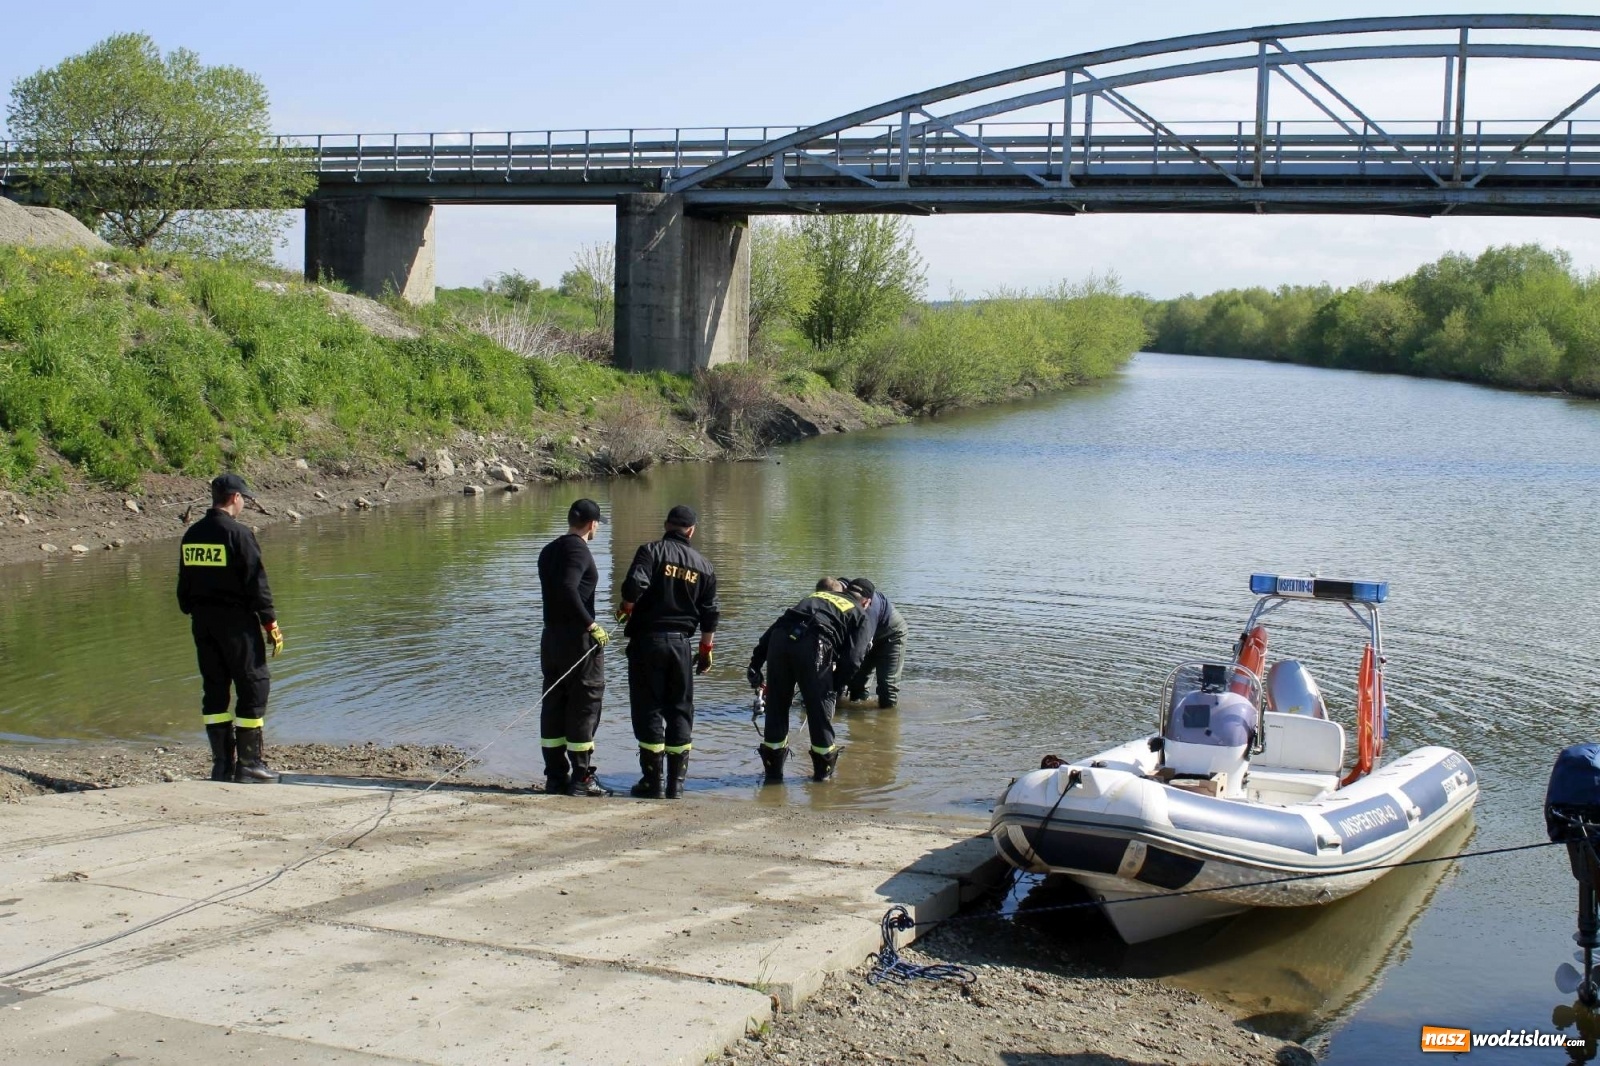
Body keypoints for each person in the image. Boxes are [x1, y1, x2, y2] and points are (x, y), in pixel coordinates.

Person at [177, 473, 282, 784]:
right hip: (237, 625)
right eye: (244, 499)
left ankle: (222, 765)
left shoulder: (192, 535)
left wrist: (198, 611)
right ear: (236, 498)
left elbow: (184, 588)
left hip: (203, 625)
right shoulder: (239, 535)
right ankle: (249, 765)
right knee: (254, 685)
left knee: (215, 690)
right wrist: (270, 622)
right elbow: (256, 583)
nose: (244, 504)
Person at [617, 504, 719, 799]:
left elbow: (634, 585)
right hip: (681, 646)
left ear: (666, 525)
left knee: (649, 707)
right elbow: (710, 613)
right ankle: (676, 785)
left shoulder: (651, 551)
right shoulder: (705, 565)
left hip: (647, 643)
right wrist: (706, 648)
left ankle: (652, 783)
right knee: (680, 710)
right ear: (691, 531)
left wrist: (626, 606)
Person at [747, 578, 873, 783]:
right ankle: (822, 783)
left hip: (779, 642)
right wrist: (835, 684)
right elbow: (854, 659)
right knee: (818, 714)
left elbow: (777, 626)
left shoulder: (814, 597)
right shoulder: (861, 614)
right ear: (867, 603)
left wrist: (755, 663)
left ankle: (772, 777)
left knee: (776, 708)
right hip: (816, 645)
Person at [536, 499, 611, 797]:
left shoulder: (549, 550)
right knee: (584, 704)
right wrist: (590, 625)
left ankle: (555, 777)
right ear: (592, 524)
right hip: (577, 640)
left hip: (551, 638)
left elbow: (557, 591)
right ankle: (581, 779)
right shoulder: (578, 549)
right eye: (597, 526)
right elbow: (568, 588)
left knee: (554, 704)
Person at [842, 578, 909, 709]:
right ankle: (858, 721)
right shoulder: (840, 592)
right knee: (856, 684)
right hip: (867, 635)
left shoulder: (870, 614)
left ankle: (888, 717)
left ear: (867, 603)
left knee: (887, 687)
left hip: (892, 635)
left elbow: (858, 652)